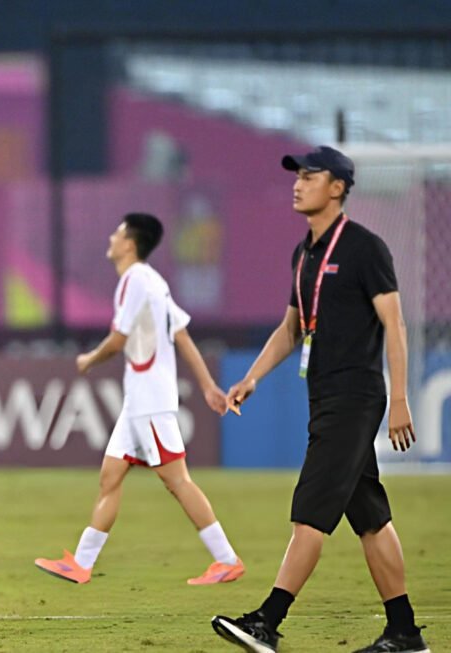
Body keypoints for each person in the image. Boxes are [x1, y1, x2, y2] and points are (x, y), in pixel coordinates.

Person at [212, 146, 428, 653]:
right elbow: (292, 330)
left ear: (337, 187)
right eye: (297, 175)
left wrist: (399, 398)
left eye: (310, 175)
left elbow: (394, 324)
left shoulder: (365, 248)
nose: (298, 182)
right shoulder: (304, 253)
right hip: (325, 394)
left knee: (310, 510)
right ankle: (404, 633)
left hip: (355, 396)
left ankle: (267, 621)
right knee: (372, 519)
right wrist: (252, 377)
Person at [34, 213, 243, 586]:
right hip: (138, 401)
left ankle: (226, 559)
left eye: (117, 232)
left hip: (150, 399)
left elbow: (117, 340)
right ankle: (81, 563)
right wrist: (208, 384)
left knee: (177, 480)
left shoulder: (134, 281)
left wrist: (88, 359)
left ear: (129, 243)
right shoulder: (154, 282)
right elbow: (181, 334)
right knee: (109, 477)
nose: (111, 237)